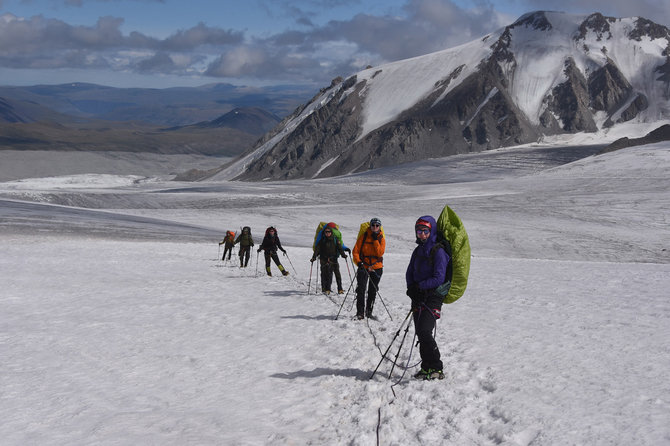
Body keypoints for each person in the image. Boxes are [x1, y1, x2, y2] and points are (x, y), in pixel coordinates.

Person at [406, 216, 448, 380]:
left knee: (424, 331)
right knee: (420, 332)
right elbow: (410, 271)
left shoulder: (439, 251)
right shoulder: (418, 251)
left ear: (431, 232)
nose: (422, 234)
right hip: (418, 295)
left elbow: (439, 278)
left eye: (425, 231)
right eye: (419, 231)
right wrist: (411, 287)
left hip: (433, 296)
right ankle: (426, 367)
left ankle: (437, 368)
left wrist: (419, 286)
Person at [352, 217, 385, 319]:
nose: (375, 227)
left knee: (372, 290)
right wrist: (359, 262)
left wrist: (375, 239)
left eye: (377, 225)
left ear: (380, 227)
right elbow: (355, 251)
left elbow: (380, 253)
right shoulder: (363, 236)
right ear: (370, 226)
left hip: (377, 267)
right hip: (364, 266)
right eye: (373, 225)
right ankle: (360, 313)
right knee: (361, 289)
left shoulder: (381, 238)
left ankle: (369, 312)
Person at [311, 225, 348, 294]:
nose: (327, 233)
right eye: (326, 232)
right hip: (324, 259)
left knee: (337, 274)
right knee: (327, 274)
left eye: (328, 232)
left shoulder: (335, 239)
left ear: (331, 232)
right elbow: (317, 249)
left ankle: (340, 289)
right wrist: (314, 257)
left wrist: (343, 255)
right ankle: (326, 288)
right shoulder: (322, 240)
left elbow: (339, 248)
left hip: (334, 259)